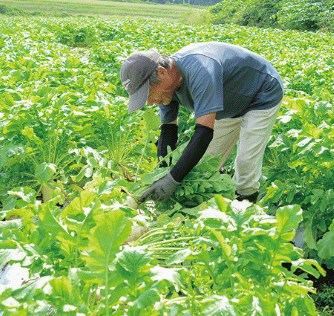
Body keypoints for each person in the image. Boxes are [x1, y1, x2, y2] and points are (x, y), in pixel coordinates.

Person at [120, 41, 284, 204]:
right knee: (207, 162)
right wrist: (162, 173)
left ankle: (246, 206)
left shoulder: (200, 69)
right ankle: (221, 189)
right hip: (228, 104)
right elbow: (168, 131)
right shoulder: (166, 88)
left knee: (245, 162)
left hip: (261, 94)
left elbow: (204, 133)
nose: (149, 102)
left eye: (148, 94)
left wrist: (173, 180)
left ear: (162, 72)